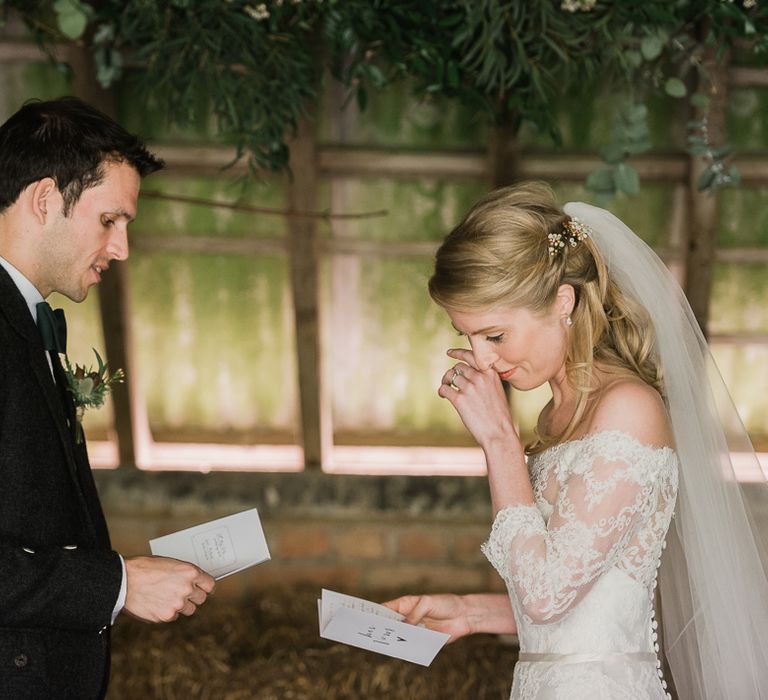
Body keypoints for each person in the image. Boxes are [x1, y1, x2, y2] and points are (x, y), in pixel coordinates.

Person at [385, 182, 768, 699]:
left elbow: (547, 596)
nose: (481, 360)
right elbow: (589, 603)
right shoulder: (554, 417)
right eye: (467, 337)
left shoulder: (627, 409)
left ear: (563, 301)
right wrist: (470, 612)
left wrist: (500, 441)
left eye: (494, 335)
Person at [0, 97, 216, 699]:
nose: (122, 249)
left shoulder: (24, 317)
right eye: (109, 221)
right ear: (44, 199)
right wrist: (118, 585)